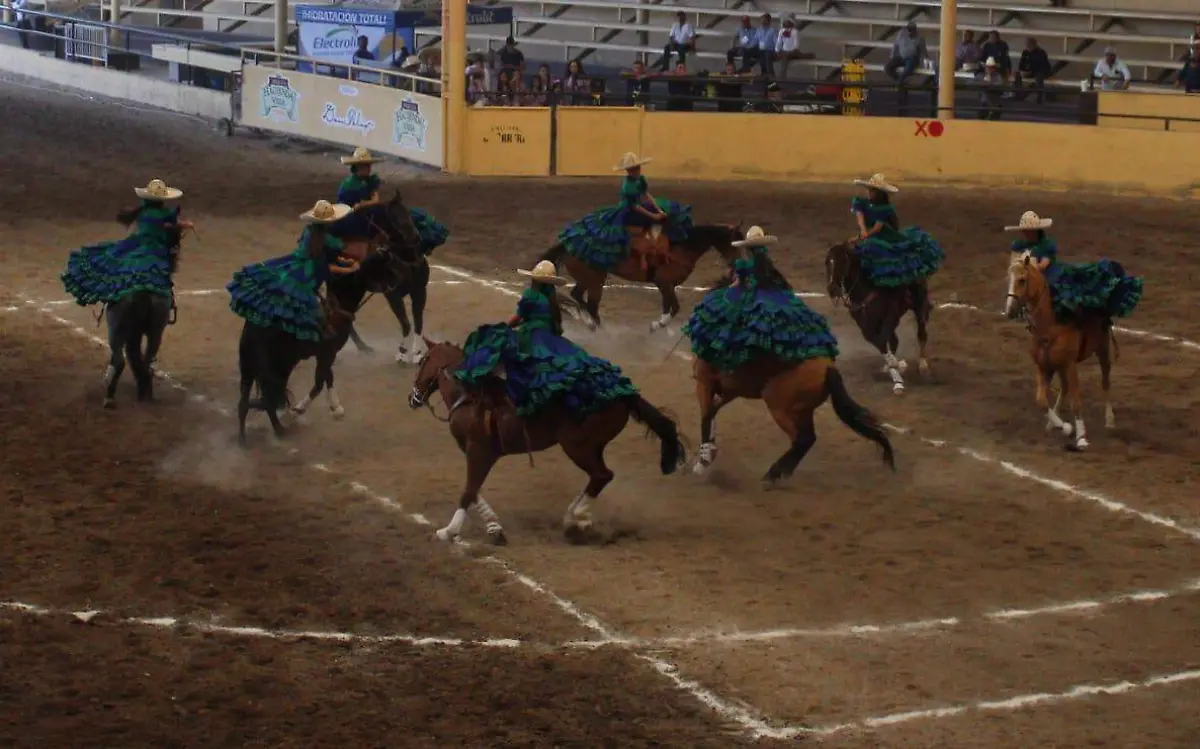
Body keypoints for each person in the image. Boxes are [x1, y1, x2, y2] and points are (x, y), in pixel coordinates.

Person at [455, 260, 638, 417]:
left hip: (532, 335)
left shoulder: (530, 295)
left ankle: (493, 399)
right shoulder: (550, 296)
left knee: (495, 347)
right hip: (549, 336)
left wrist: (502, 327)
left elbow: (517, 318)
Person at [683, 226, 839, 372]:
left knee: (724, 313)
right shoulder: (767, 263)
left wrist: (724, 292)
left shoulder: (744, 264)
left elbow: (737, 283)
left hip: (750, 295)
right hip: (771, 294)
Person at [227, 200, 360, 342]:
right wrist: (350, 269)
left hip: (293, 263)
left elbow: (326, 258)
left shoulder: (309, 231)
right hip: (309, 272)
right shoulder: (328, 239)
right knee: (312, 304)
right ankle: (320, 332)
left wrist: (346, 262)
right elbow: (325, 267)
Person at [62, 178, 192, 309]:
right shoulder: (165, 214)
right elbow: (175, 224)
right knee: (161, 270)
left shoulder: (142, 212)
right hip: (155, 248)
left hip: (136, 244)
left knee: (118, 267)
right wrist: (187, 225)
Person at [556, 152, 693, 272]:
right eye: (634, 168)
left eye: (637, 167)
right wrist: (654, 215)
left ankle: (658, 240)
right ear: (629, 170)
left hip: (637, 206)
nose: (637, 170)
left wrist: (658, 209)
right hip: (629, 211)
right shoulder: (628, 186)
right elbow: (635, 207)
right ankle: (649, 247)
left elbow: (646, 194)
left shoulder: (640, 179)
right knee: (651, 221)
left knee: (668, 209)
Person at [1004, 211, 1142, 321]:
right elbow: (1014, 266)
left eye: (1030, 231)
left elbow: (1042, 267)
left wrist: (1029, 263)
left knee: (1063, 298)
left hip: (1051, 276)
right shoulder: (1019, 246)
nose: (1027, 233)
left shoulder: (1046, 246)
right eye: (1025, 231)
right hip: (1029, 277)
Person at [331, 146, 449, 255]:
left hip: (369, 210)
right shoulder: (347, 186)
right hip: (355, 217)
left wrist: (363, 204)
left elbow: (375, 199)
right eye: (365, 165)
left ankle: (417, 243)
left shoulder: (370, 180)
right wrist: (362, 206)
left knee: (402, 215)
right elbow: (346, 208)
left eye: (368, 165)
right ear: (356, 167)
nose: (368, 168)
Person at [850, 174, 944, 288]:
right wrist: (863, 231)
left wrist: (863, 236)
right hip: (870, 235)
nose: (869, 193)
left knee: (873, 248)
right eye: (869, 190)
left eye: (872, 191)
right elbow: (860, 217)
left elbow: (877, 228)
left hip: (885, 236)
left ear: (880, 194)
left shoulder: (885, 208)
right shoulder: (862, 203)